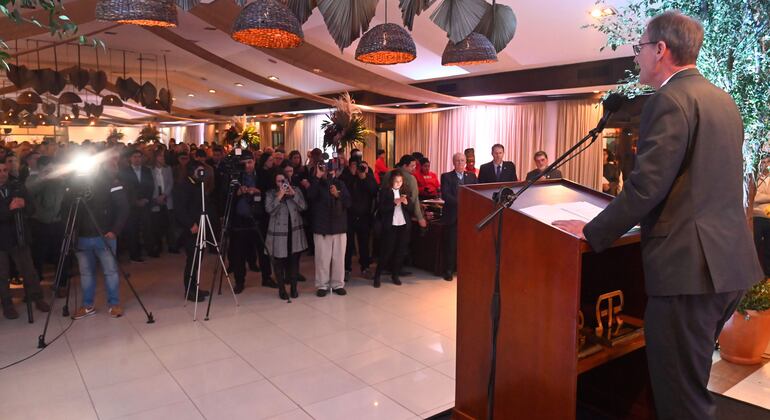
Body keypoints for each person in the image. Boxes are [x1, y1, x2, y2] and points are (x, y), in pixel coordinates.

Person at [553, 11, 762, 420]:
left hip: (688, 271)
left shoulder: (669, 100)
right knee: (692, 382)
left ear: (660, 50)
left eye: (641, 48)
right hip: (727, 266)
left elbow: (647, 187)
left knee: (681, 400)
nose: (638, 57)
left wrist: (593, 231)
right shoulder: (724, 102)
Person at [71, 160, 130, 319]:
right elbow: (68, 208)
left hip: (105, 235)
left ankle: (114, 304)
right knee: (86, 274)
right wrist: (72, 233)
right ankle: (87, 305)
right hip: (82, 237)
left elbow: (123, 207)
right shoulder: (75, 184)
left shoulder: (111, 182)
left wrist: (114, 230)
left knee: (110, 271)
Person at [0, 158, 50, 319]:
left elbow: (32, 208)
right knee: (2, 275)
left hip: (19, 235)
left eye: (4, 171)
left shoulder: (17, 186)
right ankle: (7, 304)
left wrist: (23, 205)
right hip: (1, 239)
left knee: (29, 271)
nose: (2, 174)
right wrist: (10, 209)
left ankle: (37, 298)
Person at [307, 162, 351, 296]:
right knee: (322, 258)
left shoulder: (341, 184)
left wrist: (337, 195)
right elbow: (310, 196)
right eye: (324, 169)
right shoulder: (316, 183)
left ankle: (338, 284)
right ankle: (322, 285)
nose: (328, 172)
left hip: (339, 226)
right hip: (322, 227)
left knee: (339, 258)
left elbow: (348, 202)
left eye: (330, 169)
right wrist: (317, 177)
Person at [172, 161, 212, 302]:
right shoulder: (183, 186)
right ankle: (189, 290)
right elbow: (180, 209)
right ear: (192, 171)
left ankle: (195, 287)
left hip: (201, 225)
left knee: (198, 259)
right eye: (199, 171)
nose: (202, 174)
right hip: (191, 228)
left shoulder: (199, 184)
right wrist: (190, 224)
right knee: (192, 259)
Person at [265, 171, 307, 300]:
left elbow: (304, 207)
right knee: (278, 263)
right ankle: (282, 289)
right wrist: (279, 196)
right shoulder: (271, 194)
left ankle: (294, 288)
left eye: (284, 180)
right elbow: (269, 210)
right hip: (278, 234)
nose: (282, 183)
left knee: (294, 262)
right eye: (279, 181)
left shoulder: (295, 190)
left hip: (294, 232)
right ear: (275, 183)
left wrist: (293, 195)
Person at [373, 171, 415, 287]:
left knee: (400, 251)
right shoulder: (385, 192)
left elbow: (411, 209)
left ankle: (395, 275)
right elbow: (381, 209)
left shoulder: (404, 191)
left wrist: (406, 203)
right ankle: (377, 275)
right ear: (391, 181)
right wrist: (394, 203)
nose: (398, 184)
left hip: (402, 225)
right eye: (396, 181)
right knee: (386, 251)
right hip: (390, 225)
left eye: (400, 181)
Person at [440, 153, 478, 281]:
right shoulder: (446, 176)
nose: (460, 163)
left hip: (468, 216)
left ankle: (463, 269)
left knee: (466, 245)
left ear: (465, 162)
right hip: (452, 216)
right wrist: (462, 203)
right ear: (453, 162)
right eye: (457, 161)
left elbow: (476, 194)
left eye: (462, 161)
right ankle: (449, 270)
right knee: (451, 245)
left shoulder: (472, 176)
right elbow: (445, 195)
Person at [340, 158, 378, 279]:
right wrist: (351, 174)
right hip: (349, 216)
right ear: (350, 166)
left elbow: (374, 191)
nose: (359, 169)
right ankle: (346, 269)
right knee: (348, 244)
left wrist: (364, 177)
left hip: (364, 216)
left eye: (361, 167)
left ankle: (365, 268)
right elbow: (342, 191)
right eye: (355, 166)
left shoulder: (368, 177)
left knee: (364, 244)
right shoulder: (346, 177)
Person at [119, 148, 154, 262]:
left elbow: (151, 186)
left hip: (145, 203)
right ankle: (134, 254)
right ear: (130, 159)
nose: (137, 159)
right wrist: (135, 201)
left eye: (139, 157)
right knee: (133, 230)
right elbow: (125, 189)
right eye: (135, 157)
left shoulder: (147, 170)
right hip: (131, 205)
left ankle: (150, 250)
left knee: (147, 228)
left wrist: (146, 199)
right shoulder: (124, 171)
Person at [380, 155, 428, 229]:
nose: (414, 169)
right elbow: (414, 200)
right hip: (405, 214)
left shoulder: (388, 174)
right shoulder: (411, 179)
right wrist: (420, 218)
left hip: (387, 215)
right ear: (405, 166)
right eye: (412, 166)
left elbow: (382, 193)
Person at [150, 149, 174, 256]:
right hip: (155, 199)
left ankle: (172, 246)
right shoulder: (150, 170)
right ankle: (157, 246)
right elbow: (149, 185)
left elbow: (170, 183)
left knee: (169, 224)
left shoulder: (168, 169)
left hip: (167, 198)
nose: (162, 158)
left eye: (163, 157)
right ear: (155, 158)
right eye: (160, 156)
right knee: (156, 225)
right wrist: (156, 198)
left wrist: (164, 195)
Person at [753, 156, 770, 276]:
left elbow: (756, 197)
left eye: (768, 161)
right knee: (755, 246)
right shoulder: (755, 178)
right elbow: (752, 196)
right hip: (756, 216)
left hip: (769, 217)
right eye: (763, 162)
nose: (765, 164)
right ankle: (757, 275)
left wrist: (759, 197)